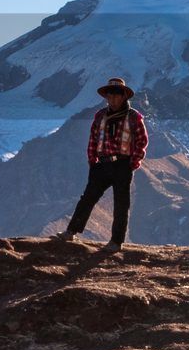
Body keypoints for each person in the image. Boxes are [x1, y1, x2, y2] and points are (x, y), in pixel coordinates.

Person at [52, 76, 148, 252]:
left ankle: (116, 242)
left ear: (124, 97)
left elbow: (142, 141)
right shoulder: (100, 116)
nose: (112, 99)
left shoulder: (134, 117)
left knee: (121, 204)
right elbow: (93, 139)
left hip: (123, 165)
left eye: (116, 95)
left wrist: (132, 163)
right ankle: (71, 232)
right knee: (87, 199)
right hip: (101, 165)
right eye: (110, 96)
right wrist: (93, 161)